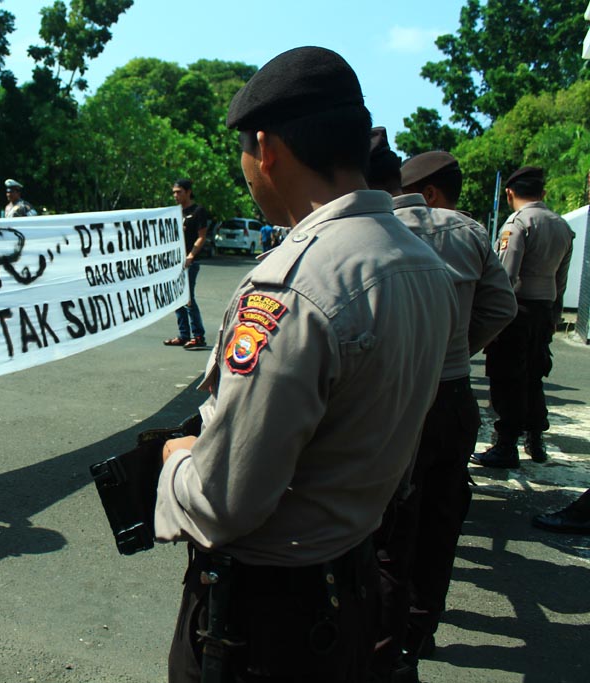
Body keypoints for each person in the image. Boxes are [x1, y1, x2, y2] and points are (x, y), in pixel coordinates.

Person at [154, 47, 459, 683]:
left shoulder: (293, 286)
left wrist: (177, 462)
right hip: (350, 587)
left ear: (265, 149)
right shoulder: (421, 261)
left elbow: (224, 501)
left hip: (264, 622)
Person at [366, 134, 516, 681]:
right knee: (442, 518)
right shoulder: (471, 230)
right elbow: (503, 305)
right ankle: (420, 632)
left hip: (397, 396)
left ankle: (383, 642)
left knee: (389, 529)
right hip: (454, 394)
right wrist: (458, 349)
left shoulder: (374, 230)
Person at [471, 166, 575, 469]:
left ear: (509, 193)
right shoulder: (562, 225)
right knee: (533, 376)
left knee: (507, 377)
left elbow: (506, 277)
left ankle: (506, 445)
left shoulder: (517, 224)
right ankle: (535, 439)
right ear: (542, 194)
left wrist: (492, 320)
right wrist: (554, 315)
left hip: (516, 313)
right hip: (544, 310)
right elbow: (561, 280)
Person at [163, 178, 209, 350]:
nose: (175, 195)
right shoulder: (174, 212)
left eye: (179, 192)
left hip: (190, 261)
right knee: (177, 299)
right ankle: (184, 335)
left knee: (188, 298)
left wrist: (191, 255)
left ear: (188, 192)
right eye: (173, 192)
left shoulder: (198, 211)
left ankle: (198, 335)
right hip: (175, 261)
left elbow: (202, 236)